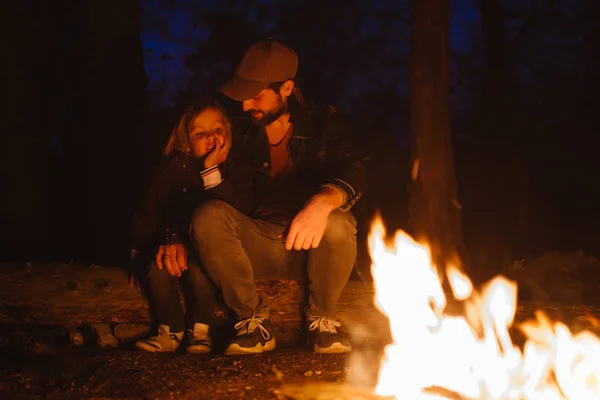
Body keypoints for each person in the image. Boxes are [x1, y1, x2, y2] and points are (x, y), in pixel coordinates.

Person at [191, 39, 367, 355]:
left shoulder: (325, 123)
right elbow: (229, 211)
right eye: (242, 97)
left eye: (256, 96)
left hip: (314, 250)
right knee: (208, 215)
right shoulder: (241, 134)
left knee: (339, 221)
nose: (246, 105)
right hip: (259, 245)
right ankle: (253, 321)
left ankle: (323, 321)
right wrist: (212, 173)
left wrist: (323, 201)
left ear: (286, 89)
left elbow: (353, 171)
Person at [129, 97, 253, 353]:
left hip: (209, 251)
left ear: (228, 133)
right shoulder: (172, 169)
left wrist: (210, 171)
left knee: (200, 265)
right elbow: (151, 211)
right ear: (185, 140)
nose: (212, 137)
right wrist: (136, 255)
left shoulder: (237, 167)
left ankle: (200, 329)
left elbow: (233, 211)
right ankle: (170, 329)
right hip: (173, 243)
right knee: (156, 264)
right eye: (201, 133)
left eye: (218, 130)